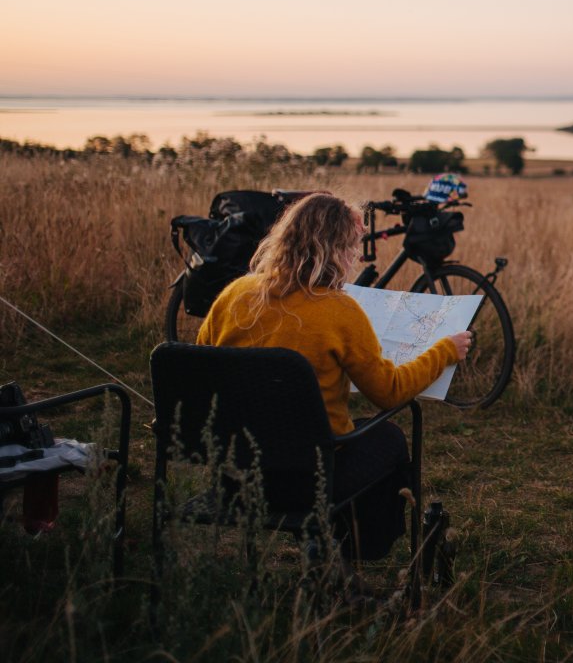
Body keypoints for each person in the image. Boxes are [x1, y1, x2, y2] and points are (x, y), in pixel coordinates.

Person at [196, 192, 471, 576]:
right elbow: (388, 392)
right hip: (308, 481)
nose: (357, 257)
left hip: (235, 474)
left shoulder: (232, 296)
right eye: (353, 247)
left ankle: (328, 549)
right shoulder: (339, 311)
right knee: (387, 438)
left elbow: (202, 371)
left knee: (354, 437)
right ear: (335, 249)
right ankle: (351, 548)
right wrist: (444, 350)